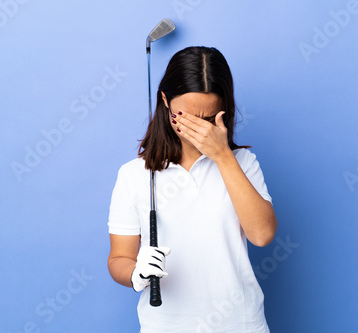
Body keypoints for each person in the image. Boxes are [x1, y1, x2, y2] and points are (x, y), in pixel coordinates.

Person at [107, 46, 277, 333]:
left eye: (209, 119)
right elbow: (119, 258)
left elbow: (261, 235)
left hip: (241, 324)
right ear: (164, 101)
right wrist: (136, 273)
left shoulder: (243, 163)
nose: (198, 129)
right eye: (185, 117)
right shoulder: (133, 175)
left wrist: (222, 156)